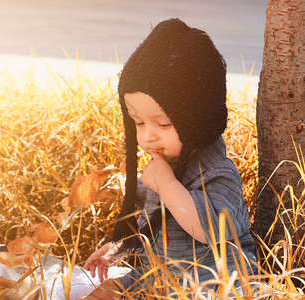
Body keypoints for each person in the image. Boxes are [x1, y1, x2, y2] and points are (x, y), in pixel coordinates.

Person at [83, 18, 258, 298]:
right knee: (104, 292)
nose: (147, 137)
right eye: (138, 123)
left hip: (214, 284)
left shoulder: (218, 172)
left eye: (163, 124)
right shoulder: (161, 167)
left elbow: (210, 231)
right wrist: (120, 248)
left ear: (198, 121)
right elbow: (149, 226)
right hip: (161, 277)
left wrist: (166, 185)